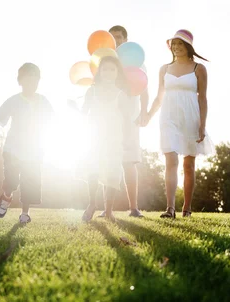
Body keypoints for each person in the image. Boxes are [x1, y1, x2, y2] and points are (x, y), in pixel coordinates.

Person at [0, 63, 54, 224]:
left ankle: (25, 213)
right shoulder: (13, 101)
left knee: (30, 182)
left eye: (35, 79)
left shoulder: (43, 101)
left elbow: (54, 122)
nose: (32, 82)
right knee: (11, 181)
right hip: (13, 150)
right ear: (20, 81)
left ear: (39, 81)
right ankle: (6, 196)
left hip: (34, 150)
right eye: (28, 78)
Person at [144, 29, 214, 218]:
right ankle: (170, 208)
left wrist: (202, 124)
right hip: (168, 118)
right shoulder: (164, 69)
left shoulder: (199, 68)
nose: (176, 47)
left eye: (180, 44)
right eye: (174, 44)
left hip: (191, 117)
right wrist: (149, 115)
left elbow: (203, 99)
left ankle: (187, 208)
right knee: (171, 160)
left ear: (188, 46)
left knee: (188, 165)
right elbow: (159, 96)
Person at [98, 25, 149, 218]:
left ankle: (134, 208)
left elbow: (144, 89)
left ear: (125, 40)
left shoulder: (137, 62)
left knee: (129, 162)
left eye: (119, 38)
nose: (116, 42)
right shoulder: (106, 62)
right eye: (112, 38)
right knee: (106, 160)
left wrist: (144, 111)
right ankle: (106, 208)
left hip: (130, 118)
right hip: (108, 119)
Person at [77, 56, 131, 222]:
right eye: (105, 69)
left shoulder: (121, 94)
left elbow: (127, 120)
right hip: (94, 138)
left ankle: (108, 210)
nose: (108, 72)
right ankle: (92, 204)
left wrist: (127, 140)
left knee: (113, 174)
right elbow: (83, 113)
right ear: (100, 72)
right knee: (93, 171)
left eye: (112, 69)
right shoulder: (91, 91)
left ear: (117, 73)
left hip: (114, 140)